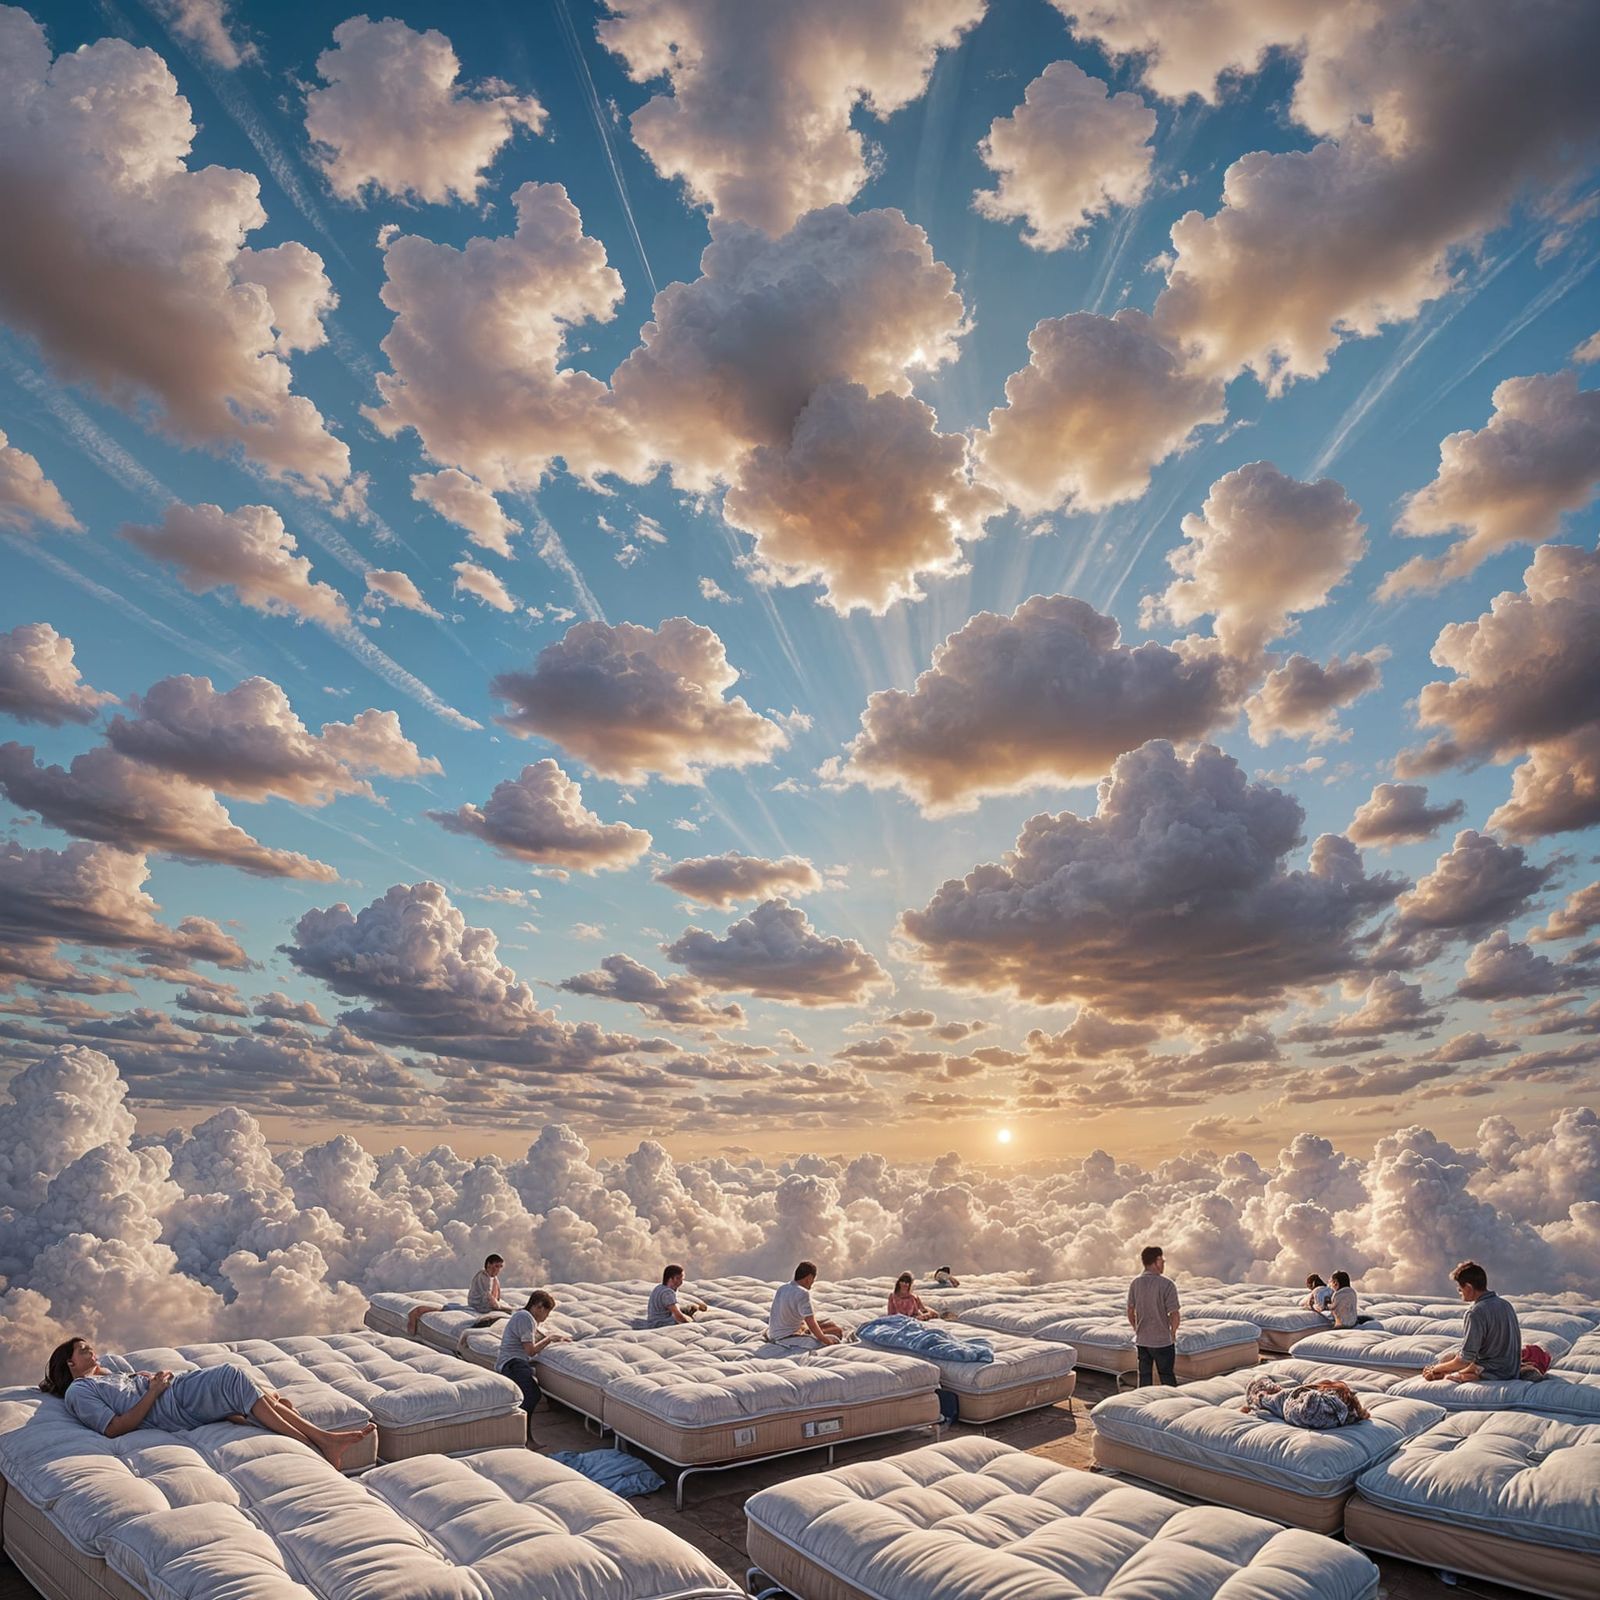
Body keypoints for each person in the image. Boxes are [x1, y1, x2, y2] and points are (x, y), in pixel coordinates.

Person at [42, 1337, 374, 1469]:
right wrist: (154, 1391)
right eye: (84, 1350)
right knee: (231, 1375)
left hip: (174, 1392)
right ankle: (319, 1443)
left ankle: (261, 1416)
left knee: (273, 1400)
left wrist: (145, 1379)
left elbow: (128, 1390)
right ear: (70, 1364)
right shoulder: (79, 1391)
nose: (92, 1351)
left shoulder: (107, 1373)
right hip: (171, 1404)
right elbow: (114, 1428)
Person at [1422, 1261, 1523, 1384]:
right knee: (1449, 1357)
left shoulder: (1475, 1312)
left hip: (1493, 1372)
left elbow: (1465, 1359)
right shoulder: (1506, 1304)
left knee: (1448, 1376)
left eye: (1460, 1289)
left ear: (1469, 1288)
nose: (1459, 1293)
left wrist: (1436, 1368)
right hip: (1512, 1369)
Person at [496, 1290, 570, 1430]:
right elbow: (530, 1351)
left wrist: (557, 1338)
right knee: (531, 1395)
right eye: (546, 1313)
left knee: (529, 1395)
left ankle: (522, 1433)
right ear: (539, 1307)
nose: (546, 1317)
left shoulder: (523, 1316)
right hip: (513, 1363)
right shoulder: (526, 1319)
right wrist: (549, 1340)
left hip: (512, 1362)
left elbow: (534, 1336)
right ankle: (521, 1433)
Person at [1127, 1244, 1180, 1386]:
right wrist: (1172, 1333)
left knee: (1144, 1378)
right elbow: (1174, 1314)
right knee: (1167, 1377)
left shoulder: (1135, 1283)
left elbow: (1130, 1311)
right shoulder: (1167, 1284)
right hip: (1162, 1341)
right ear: (1156, 1261)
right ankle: (1173, 1404)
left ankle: (1144, 1405)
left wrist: (1136, 1329)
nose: (1163, 1264)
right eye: (1162, 1261)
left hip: (1142, 1340)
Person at [768, 1261, 845, 1346]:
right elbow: (811, 1323)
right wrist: (826, 1340)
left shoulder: (782, 1288)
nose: (812, 1284)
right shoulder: (802, 1293)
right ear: (809, 1278)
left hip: (774, 1334)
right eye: (813, 1280)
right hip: (787, 1337)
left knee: (829, 1325)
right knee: (837, 1331)